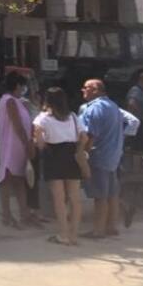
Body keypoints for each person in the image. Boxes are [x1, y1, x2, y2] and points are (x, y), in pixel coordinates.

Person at [33, 87, 83, 246]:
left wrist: (40, 143)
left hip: (53, 155)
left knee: (59, 198)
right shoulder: (73, 116)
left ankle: (63, 234)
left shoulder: (43, 118)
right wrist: (80, 151)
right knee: (75, 198)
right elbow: (84, 136)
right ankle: (74, 235)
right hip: (71, 154)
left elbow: (39, 142)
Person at [78, 79, 125, 239]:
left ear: (95, 90)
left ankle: (98, 230)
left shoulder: (95, 108)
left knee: (100, 196)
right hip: (112, 157)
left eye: (85, 87)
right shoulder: (113, 106)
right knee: (112, 194)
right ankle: (111, 226)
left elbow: (90, 136)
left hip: (98, 157)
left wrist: (83, 155)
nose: (82, 90)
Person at [0, 72, 39, 229]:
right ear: (17, 86)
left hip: (19, 146)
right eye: (22, 86)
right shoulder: (9, 101)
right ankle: (6, 215)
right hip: (13, 145)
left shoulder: (18, 101)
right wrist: (27, 143)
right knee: (7, 179)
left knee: (20, 180)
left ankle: (24, 213)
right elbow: (17, 125)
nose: (23, 89)